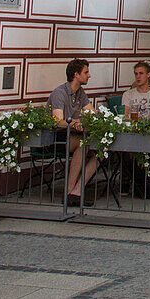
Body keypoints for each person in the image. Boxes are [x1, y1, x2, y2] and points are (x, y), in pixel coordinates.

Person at [47, 57, 97, 205]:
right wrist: (76, 122)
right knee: (84, 145)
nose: (89, 75)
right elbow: (57, 122)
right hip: (56, 138)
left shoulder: (80, 93)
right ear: (76, 74)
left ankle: (77, 190)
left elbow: (92, 114)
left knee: (102, 151)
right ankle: (69, 191)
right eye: (86, 72)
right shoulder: (59, 93)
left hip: (72, 136)